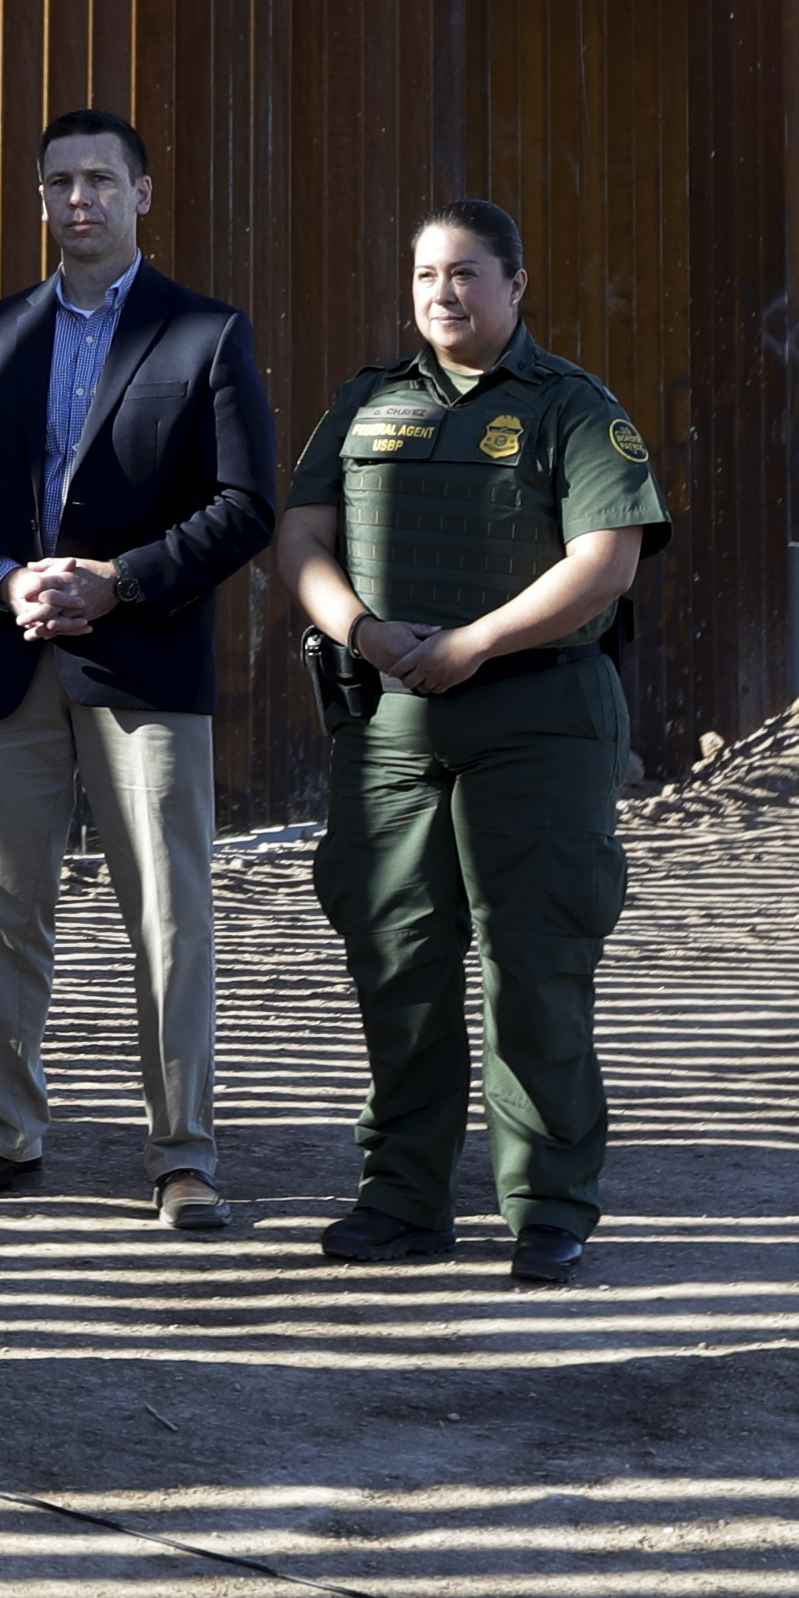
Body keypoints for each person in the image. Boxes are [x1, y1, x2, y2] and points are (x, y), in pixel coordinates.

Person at [0, 110, 278, 1230]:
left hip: (144, 666)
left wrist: (120, 579)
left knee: (169, 914)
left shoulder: (204, 335)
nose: (80, 200)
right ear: (40, 198)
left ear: (142, 193)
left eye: (100, 181)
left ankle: (180, 1156)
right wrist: (5, 577)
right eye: (59, 182)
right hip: (9, 660)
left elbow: (244, 505)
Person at [281, 198, 667, 1287]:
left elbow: (607, 558)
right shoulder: (363, 404)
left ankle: (546, 1207)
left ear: (514, 282)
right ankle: (402, 1197)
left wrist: (475, 643)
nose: (440, 295)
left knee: (532, 967)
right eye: (422, 276)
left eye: (463, 274)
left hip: (537, 717)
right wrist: (357, 628)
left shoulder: (570, 408)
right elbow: (301, 533)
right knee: (396, 962)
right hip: (392, 721)